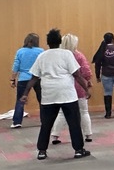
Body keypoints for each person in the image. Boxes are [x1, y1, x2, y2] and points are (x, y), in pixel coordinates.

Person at [21, 28, 91, 161]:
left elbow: (34, 77)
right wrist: (86, 89)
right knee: (74, 123)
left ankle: (42, 151)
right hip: (67, 93)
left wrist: (25, 93)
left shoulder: (42, 56)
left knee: (46, 124)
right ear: (60, 42)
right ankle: (78, 150)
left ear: (47, 43)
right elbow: (77, 74)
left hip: (49, 94)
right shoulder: (67, 54)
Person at [50, 33, 93, 145]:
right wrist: (88, 81)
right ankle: (88, 134)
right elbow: (86, 72)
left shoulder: (58, 56)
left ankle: (55, 135)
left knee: (61, 113)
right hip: (79, 87)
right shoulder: (79, 56)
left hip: (63, 87)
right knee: (84, 111)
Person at [9, 33, 43, 128]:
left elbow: (16, 66)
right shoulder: (41, 51)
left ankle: (17, 122)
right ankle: (45, 120)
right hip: (38, 78)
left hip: (23, 78)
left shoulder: (20, 52)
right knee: (42, 100)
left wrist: (12, 79)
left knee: (20, 100)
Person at [92, 32, 114, 118]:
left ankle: (108, 113)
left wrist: (97, 76)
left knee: (107, 93)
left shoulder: (102, 49)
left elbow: (97, 63)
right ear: (113, 39)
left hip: (106, 75)